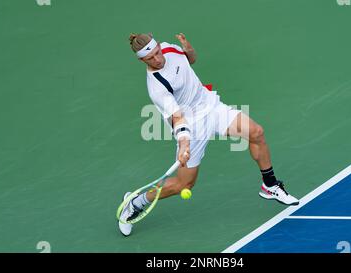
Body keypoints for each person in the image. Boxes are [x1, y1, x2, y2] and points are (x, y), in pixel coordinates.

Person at [119, 33, 299, 236]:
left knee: (256, 132)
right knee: (183, 184)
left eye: (157, 52)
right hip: (191, 125)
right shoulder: (156, 87)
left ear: (160, 46)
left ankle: (270, 185)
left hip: (211, 106)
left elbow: (191, 61)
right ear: (142, 60)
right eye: (150, 58)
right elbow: (177, 118)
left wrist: (188, 49)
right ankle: (135, 202)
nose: (157, 59)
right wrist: (184, 143)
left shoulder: (170, 48)